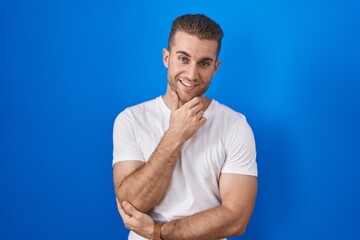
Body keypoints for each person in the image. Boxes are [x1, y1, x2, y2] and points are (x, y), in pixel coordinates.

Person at [112, 14, 258, 240]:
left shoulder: (235, 126)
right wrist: (175, 136)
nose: (192, 74)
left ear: (216, 67)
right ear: (166, 57)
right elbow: (132, 204)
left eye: (204, 63)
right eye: (183, 59)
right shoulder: (130, 119)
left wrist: (158, 232)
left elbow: (236, 218)